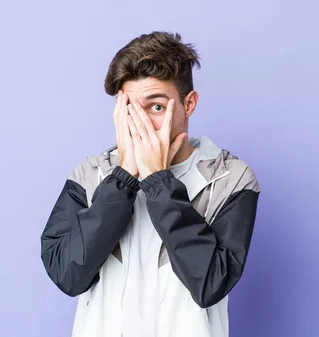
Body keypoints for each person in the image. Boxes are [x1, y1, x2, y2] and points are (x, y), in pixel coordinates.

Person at [40, 31, 260, 337]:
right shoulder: (91, 174)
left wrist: (159, 180)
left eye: (156, 107)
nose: (141, 123)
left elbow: (211, 283)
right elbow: (68, 275)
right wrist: (124, 177)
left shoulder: (230, 178)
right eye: (130, 109)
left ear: (189, 104)